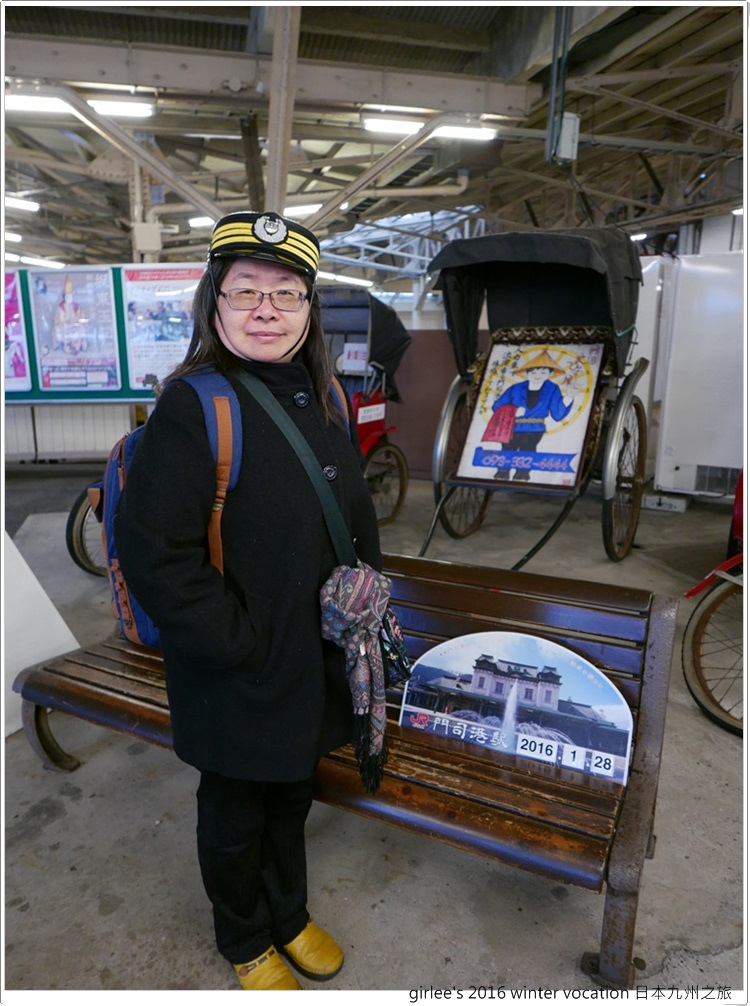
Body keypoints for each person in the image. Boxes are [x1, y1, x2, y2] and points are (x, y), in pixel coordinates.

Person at [114, 210, 382, 990]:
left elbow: (353, 517)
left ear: (308, 310)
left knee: (292, 795)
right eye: (246, 291)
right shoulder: (194, 406)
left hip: (314, 656)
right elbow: (155, 553)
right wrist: (236, 641)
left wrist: (364, 596)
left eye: (286, 293)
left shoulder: (326, 396)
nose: (267, 310)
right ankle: (245, 938)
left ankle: (288, 916)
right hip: (235, 665)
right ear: (216, 304)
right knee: (235, 812)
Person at [483, 350, 574, 481]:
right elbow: (497, 406)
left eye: (543, 372)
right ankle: (502, 474)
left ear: (550, 374)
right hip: (512, 427)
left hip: (534, 428)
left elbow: (557, 414)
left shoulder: (552, 388)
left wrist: (569, 396)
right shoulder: (516, 388)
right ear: (527, 373)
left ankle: (522, 475)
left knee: (527, 450)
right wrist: (514, 410)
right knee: (507, 450)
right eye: (533, 372)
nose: (538, 375)